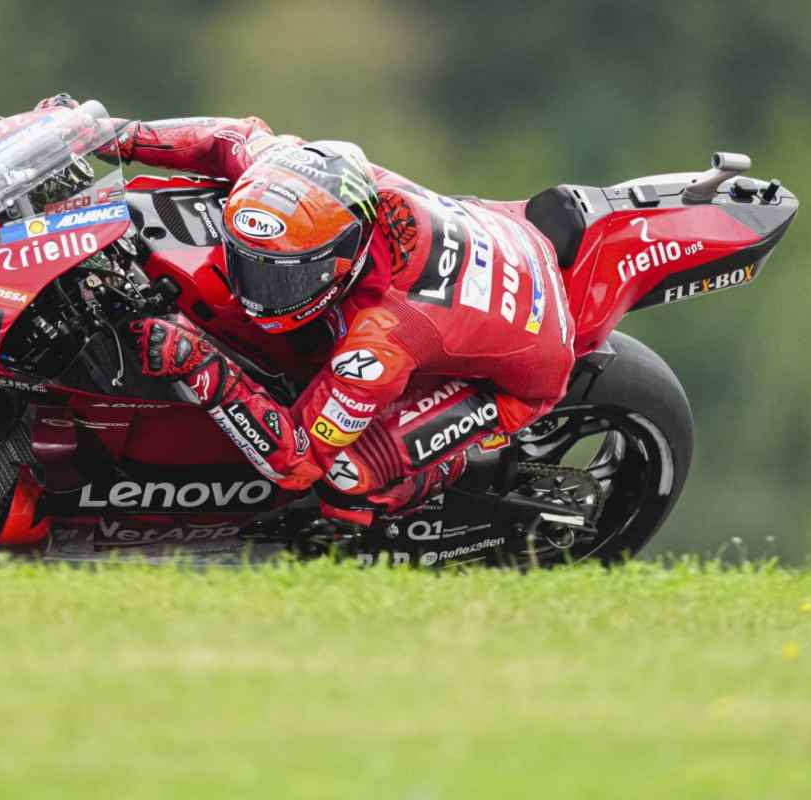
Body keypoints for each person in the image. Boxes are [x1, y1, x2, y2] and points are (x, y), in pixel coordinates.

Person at [42, 98, 576, 526]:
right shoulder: (296, 174)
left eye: (287, 275)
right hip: (491, 240)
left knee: (344, 474)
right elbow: (224, 138)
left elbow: (296, 462)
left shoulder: (383, 340)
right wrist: (108, 135)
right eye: (249, 263)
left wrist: (199, 364)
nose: (260, 291)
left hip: (519, 372)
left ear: (343, 257)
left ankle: (441, 480)